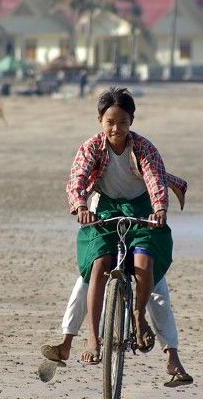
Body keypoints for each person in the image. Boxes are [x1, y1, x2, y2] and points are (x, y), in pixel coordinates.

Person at [67, 87, 187, 373]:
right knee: (98, 265)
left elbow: (156, 181)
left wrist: (159, 210)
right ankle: (93, 339)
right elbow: (78, 179)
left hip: (142, 209)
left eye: (122, 122)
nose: (116, 129)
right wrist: (81, 206)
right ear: (100, 121)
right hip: (105, 210)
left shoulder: (144, 148)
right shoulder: (91, 148)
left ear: (131, 121)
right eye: (110, 122)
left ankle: (138, 314)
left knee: (145, 264)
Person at [41, 274, 193, 386]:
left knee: (156, 282)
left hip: (138, 235)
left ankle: (172, 356)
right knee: (85, 280)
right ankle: (66, 344)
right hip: (110, 235)